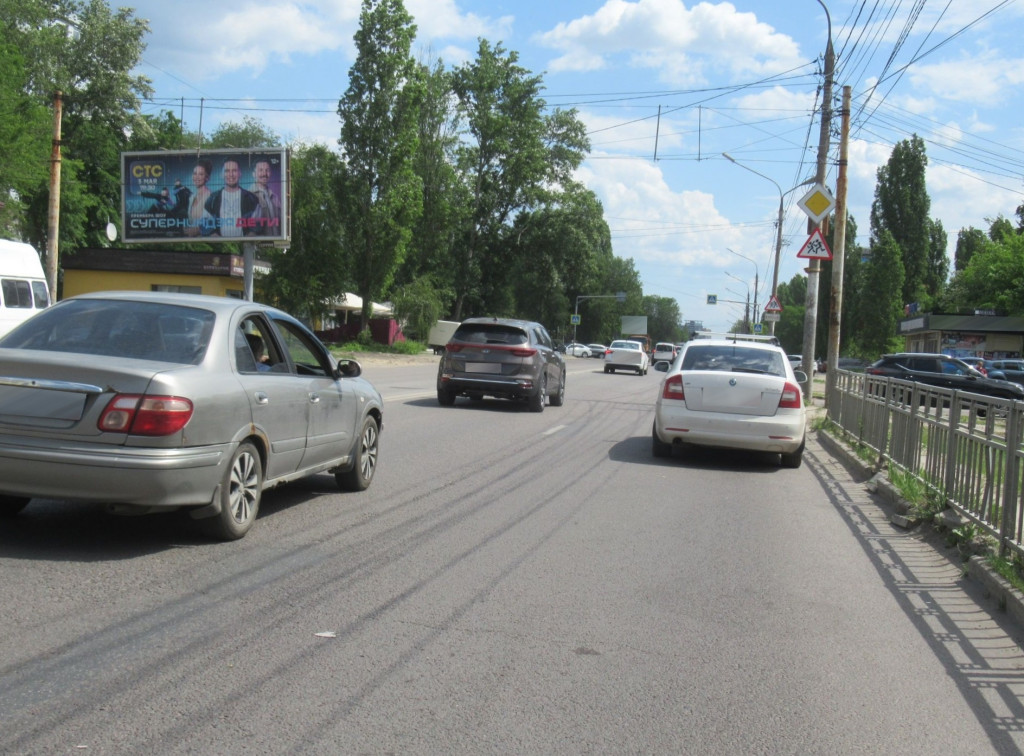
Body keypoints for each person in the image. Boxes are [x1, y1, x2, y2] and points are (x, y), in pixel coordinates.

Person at [204, 160, 259, 237]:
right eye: (227, 171)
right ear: (221, 174)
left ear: (240, 174)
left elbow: (257, 227)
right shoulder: (213, 198)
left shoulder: (251, 199)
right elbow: (205, 224)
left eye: (234, 171)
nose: (231, 174)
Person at [185, 160, 213, 237]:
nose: (196, 177)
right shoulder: (191, 197)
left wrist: (196, 230)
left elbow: (210, 223)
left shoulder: (210, 197)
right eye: (194, 173)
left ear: (207, 178)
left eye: (201, 174)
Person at [249, 160, 281, 229]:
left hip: (275, 239)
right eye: (260, 170)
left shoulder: (275, 197)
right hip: (256, 239)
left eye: (267, 170)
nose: (264, 174)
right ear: (253, 174)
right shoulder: (248, 196)